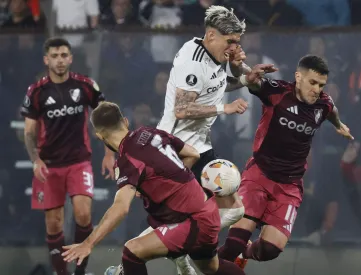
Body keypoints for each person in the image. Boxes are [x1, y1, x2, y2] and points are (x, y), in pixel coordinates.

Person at [61, 102, 247, 275]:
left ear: (99, 136)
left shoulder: (127, 162)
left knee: (132, 251)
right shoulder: (151, 133)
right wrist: (166, 183)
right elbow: (193, 154)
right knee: (211, 268)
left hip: (192, 221)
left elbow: (121, 208)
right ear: (125, 121)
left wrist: (88, 243)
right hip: (206, 210)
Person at [218, 55, 353, 268]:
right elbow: (249, 81)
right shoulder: (277, 92)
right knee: (234, 242)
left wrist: (339, 124)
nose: (317, 89)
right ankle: (204, 265)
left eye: (321, 85)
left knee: (270, 250)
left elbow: (332, 111)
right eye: (312, 83)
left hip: (290, 186)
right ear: (298, 77)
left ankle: (244, 255)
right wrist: (240, 69)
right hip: (259, 175)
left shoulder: (323, 104)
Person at [154, 5, 253, 274]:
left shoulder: (211, 56)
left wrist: (244, 77)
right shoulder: (195, 61)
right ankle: (158, 250)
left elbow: (217, 84)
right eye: (230, 41)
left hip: (200, 145)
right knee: (211, 213)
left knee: (233, 210)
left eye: (237, 42)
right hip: (177, 149)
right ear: (211, 36)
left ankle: (179, 248)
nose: (234, 47)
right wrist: (226, 108)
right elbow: (182, 109)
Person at [20, 37, 115, 275]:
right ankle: (61, 273)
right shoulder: (36, 92)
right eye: (55, 56)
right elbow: (29, 133)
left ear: (70, 58)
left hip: (79, 162)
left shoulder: (85, 85)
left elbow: (105, 117)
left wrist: (108, 153)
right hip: (48, 166)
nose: (60, 60)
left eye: (64, 55)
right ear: (46, 60)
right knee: (54, 225)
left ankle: (80, 271)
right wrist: (36, 160)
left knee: (83, 215)